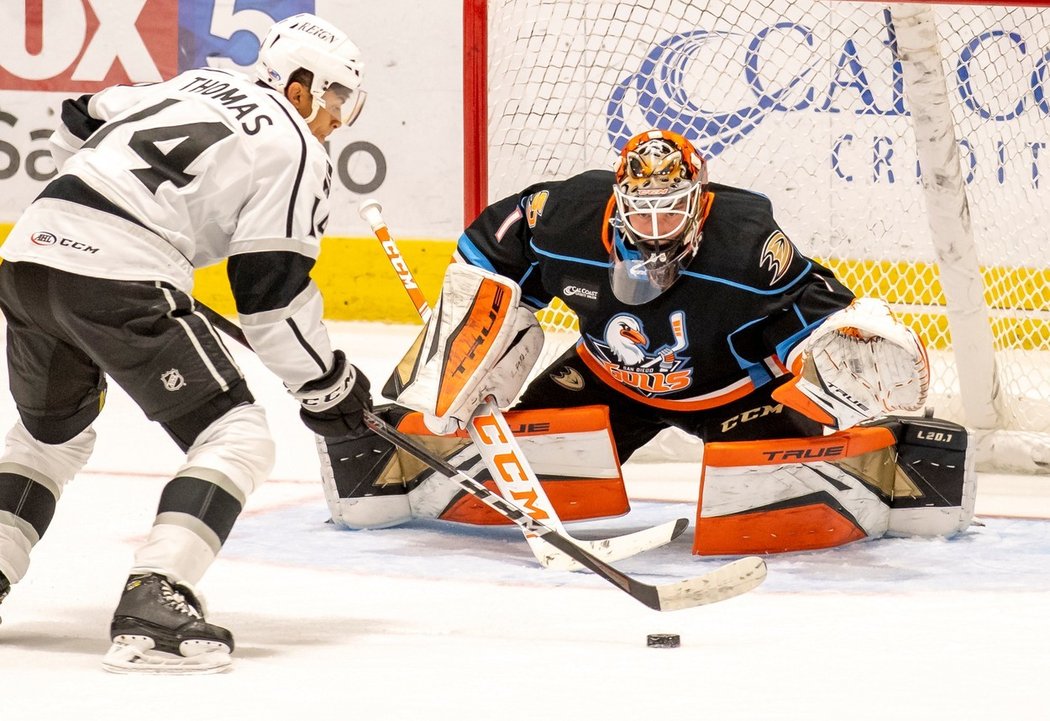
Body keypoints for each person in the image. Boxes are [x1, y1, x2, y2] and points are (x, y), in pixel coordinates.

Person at [322, 128, 971, 553]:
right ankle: (396, 455)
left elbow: (821, 311)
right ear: (618, 199)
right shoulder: (566, 217)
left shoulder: (745, 245)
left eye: (673, 209)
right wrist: (468, 343)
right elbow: (487, 251)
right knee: (506, 465)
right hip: (606, 381)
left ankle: (900, 458)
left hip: (733, 392)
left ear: (700, 201)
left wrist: (853, 356)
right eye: (643, 209)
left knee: (770, 509)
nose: (657, 227)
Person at [0, 12, 372, 673]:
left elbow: (81, 114)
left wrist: (101, 220)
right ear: (300, 85)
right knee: (238, 435)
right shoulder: (295, 148)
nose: (338, 118)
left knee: (48, 437)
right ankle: (156, 595)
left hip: (30, 252)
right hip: (118, 271)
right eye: (337, 97)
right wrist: (327, 386)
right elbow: (271, 300)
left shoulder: (196, 83)